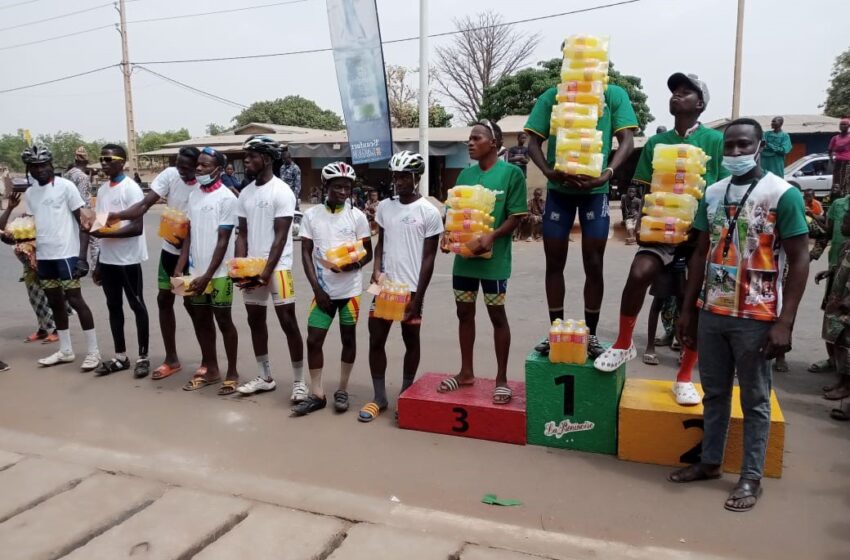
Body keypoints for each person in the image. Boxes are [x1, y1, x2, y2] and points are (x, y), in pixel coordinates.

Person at [669, 118, 809, 512]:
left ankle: (750, 477)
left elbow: (799, 260)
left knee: (755, 399)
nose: (734, 153)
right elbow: (699, 253)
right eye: (728, 147)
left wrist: (785, 322)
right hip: (713, 310)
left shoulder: (783, 194)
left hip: (758, 314)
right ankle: (710, 463)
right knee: (713, 394)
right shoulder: (713, 193)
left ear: (760, 146)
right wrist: (688, 309)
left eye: (742, 146)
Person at [594, 73, 727, 407]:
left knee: (691, 300)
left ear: (700, 103)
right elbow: (643, 187)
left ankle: (683, 377)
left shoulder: (714, 140)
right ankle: (624, 343)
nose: (676, 97)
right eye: (673, 93)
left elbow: (723, 189)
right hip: (662, 231)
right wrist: (638, 221)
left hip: (700, 233)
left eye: (685, 93)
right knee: (639, 273)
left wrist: (710, 229)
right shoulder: (656, 143)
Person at [525, 60, 638, 359]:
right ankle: (556, 332)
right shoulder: (553, 96)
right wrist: (549, 173)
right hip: (560, 191)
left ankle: (591, 335)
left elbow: (627, 139)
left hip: (595, 191)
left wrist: (608, 173)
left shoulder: (613, 94)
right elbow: (531, 141)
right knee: (554, 262)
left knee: (594, 262)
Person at [438, 120, 527, 403]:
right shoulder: (464, 175)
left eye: (476, 138)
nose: (470, 143)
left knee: (497, 316)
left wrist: (492, 236)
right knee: (464, 313)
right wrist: (447, 235)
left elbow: (516, 216)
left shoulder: (512, 174)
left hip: (493, 263)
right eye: (469, 138)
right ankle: (466, 372)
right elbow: (454, 213)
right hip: (464, 262)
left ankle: (501, 379)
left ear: (494, 142)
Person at [0, 145, 100, 370]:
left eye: (44, 165)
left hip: (67, 253)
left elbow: (84, 223)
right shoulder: (32, 192)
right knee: (55, 302)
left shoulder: (66, 187)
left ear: (51, 165)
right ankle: (65, 350)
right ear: (29, 169)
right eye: (34, 166)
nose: (40, 170)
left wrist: (83, 257)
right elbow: (33, 225)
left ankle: (93, 351)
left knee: (75, 299)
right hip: (44, 256)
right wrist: (15, 238)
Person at [360, 152, 442, 422]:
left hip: (411, 290)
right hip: (385, 288)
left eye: (405, 176)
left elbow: (429, 257)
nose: (400, 181)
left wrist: (418, 297)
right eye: (396, 176)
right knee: (376, 339)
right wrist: (375, 269)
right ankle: (379, 397)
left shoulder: (429, 212)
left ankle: (406, 393)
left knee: (411, 340)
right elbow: (381, 242)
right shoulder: (385, 207)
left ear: (416, 178)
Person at [107, 147, 200, 381]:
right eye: (178, 165)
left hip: (193, 255)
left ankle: (208, 361)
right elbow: (144, 205)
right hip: (170, 250)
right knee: (164, 299)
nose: (181, 171)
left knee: (193, 305)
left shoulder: (202, 184)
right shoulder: (170, 175)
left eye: (187, 167)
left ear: (198, 166)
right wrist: (118, 216)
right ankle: (171, 359)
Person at [295, 161, 372, 416]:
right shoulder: (312, 215)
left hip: (350, 291)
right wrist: (317, 289)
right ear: (325, 186)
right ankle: (317, 393)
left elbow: (367, 253)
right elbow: (305, 253)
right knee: (314, 339)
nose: (343, 191)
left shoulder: (357, 216)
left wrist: (352, 266)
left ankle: (342, 388)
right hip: (323, 292)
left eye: (347, 187)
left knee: (348, 339)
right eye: (337, 186)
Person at [233, 136, 306, 402]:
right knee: (255, 322)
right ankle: (265, 377)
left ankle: (300, 382)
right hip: (252, 267)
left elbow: (280, 236)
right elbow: (241, 234)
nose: (247, 161)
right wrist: (239, 268)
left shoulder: (282, 191)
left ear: (266, 159)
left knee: (288, 322)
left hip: (278, 269)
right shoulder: (245, 193)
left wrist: (265, 274)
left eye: (251, 157)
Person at [174, 147, 240, 395]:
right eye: (198, 164)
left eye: (204, 165)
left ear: (219, 170)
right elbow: (188, 235)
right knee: (200, 320)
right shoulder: (194, 196)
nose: (198, 168)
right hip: (195, 272)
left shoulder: (227, 199)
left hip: (219, 274)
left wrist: (208, 276)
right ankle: (210, 368)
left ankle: (232, 372)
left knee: (224, 321)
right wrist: (181, 268)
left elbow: (223, 241)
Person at [90, 144, 150, 378]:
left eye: (109, 159)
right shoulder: (103, 190)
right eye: (101, 159)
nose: (104, 163)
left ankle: (143, 356)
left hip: (129, 258)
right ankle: (120, 357)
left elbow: (136, 227)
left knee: (137, 305)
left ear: (122, 161)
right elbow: (101, 224)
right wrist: (97, 263)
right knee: (113, 306)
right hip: (109, 259)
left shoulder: (131, 189)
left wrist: (104, 235)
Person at [810, 183, 850, 376]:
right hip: (837, 268)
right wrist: (812, 255)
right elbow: (827, 232)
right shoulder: (839, 205)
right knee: (831, 314)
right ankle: (833, 360)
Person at [822, 212, 850, 421]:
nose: (842, 225)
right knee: (838, 341)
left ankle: (846, 386)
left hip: (846, 305)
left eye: (846, 222)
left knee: (847, 344)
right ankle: (841, 381)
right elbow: (841, 269)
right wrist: (828, 272)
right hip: (837, 299)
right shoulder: (846, 246)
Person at [65, 146, 98, 267]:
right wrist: (87, 218)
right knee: (95, 240)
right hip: (84, 212)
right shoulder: (83, 177)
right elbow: (83, 199)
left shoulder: (67, 174)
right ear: (86, 161)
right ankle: (96, 267)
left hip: (69, 211)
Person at [829, 118, 850, 195]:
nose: (842, 126)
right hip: (837, 162)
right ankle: (836, 196)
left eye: (844, 124)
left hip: (847, 163)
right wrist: (831, 159)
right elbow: (830, 150)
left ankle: (844, 195)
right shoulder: (835, 138)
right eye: (841, 124)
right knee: (836, 182)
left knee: (845, 181)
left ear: (848, 126)